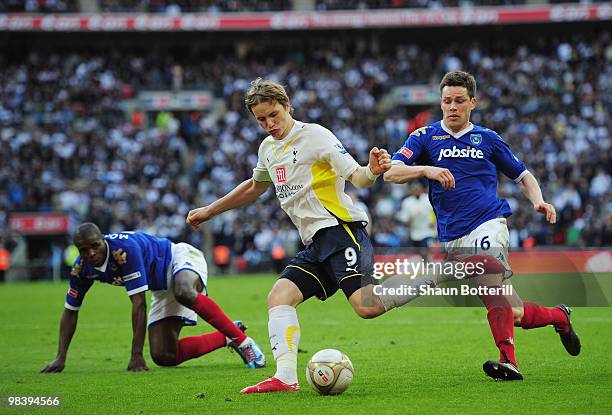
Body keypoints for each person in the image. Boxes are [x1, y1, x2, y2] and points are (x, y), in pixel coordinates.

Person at [186, 78, 448, 394]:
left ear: (287, 107)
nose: (269, 124)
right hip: (315, 243)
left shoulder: (316, 136)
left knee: (368, 307)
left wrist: (373, 168)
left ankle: (438, 273)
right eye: (261, 119)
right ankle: (285, 377)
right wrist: (210, 210)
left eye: (274, 115)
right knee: (279, 296)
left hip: (342, 232)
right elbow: (255, 186)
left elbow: (358, 178)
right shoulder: (267, 149)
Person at [384, 71, 581, 380]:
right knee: (512, 311)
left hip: (489, 224)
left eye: (459, 101)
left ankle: (509, 361)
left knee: (490, 284)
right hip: (454, 239)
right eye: (447, 101)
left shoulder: (487, 139)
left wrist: (538, 201)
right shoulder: (424, 137)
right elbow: (391, 173)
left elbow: (522, 175)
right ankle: (560, 316)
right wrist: (428, 170)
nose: (452, 107)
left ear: (472, 103)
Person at [41, 223, 265, 373]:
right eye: (83, 249)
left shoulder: (124, 251)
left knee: (185, 292)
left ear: (103, 241)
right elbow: (70, 310)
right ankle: (227, 336)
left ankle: (245, 343)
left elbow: (139, 303)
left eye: (95, 246)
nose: (90, 253)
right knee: (164, 355)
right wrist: (60, 357)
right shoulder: (81, 269)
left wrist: (136, 355)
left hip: (178, 258)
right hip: (160, 286)